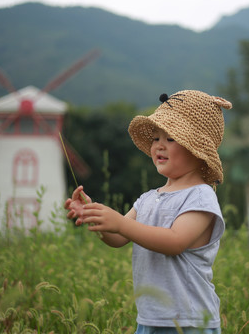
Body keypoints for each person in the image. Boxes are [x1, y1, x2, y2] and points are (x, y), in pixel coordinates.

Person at [65, 90, 232, 333]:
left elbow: (175, 242)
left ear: (197, 149)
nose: (159, 146)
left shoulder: (200, 196)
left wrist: (121, 224)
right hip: (151, 318)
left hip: (189, 321)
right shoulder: (148, 199)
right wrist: (95, 217)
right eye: (155, 138)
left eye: (171, 138)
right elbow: (119, 238)